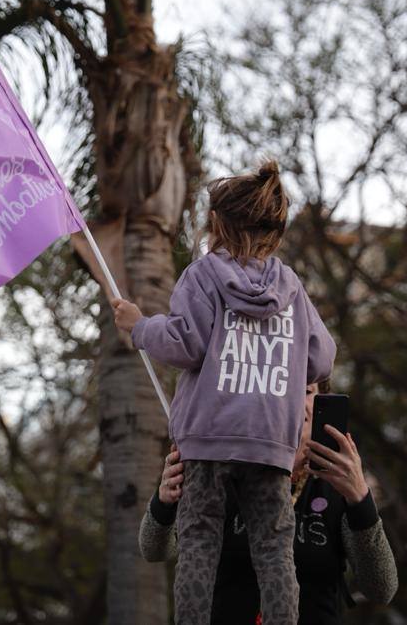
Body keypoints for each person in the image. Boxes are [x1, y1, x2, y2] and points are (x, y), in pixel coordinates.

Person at [111, 163, 336, 624]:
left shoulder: (203, 275)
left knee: (198, 540)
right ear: (274, 230)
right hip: (272, 443)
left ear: (217, 223)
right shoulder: (291, 287)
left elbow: (185, 343)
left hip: (209, 440)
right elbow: (322, 358)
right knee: (275, 548)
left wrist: (139, 327)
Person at [139, 383, 398, 624]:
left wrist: (359, 498)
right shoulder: (224, 469)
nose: (294, 400)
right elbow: (155, 550)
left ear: (322, 404)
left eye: (306, 390)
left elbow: (381, 588)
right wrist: (165, 501)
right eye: (286, 384)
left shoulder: (338, 487)